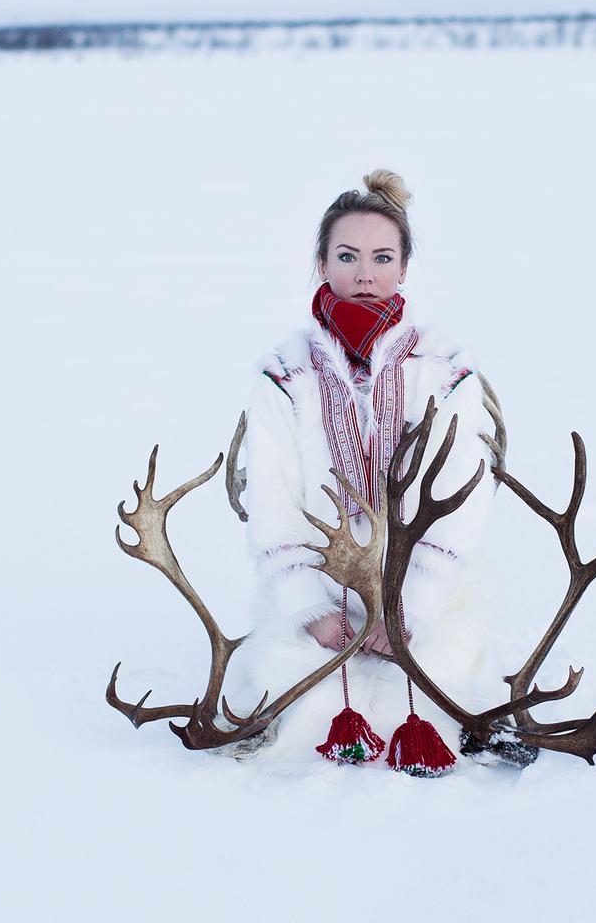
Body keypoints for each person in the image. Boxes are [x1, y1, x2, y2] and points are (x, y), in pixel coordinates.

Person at [228, 169, 500, 775]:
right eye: (347, 256)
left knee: (448, 683)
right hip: (321, 597)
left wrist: (413, 605)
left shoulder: (444, 366)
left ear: (404, 268)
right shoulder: (284, 372)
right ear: (321, 263)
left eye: (382, 257)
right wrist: (309, 607)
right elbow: (270, 495)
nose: (364, 273)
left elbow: (465, 487)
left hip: (426, 593)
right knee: (302, 706)